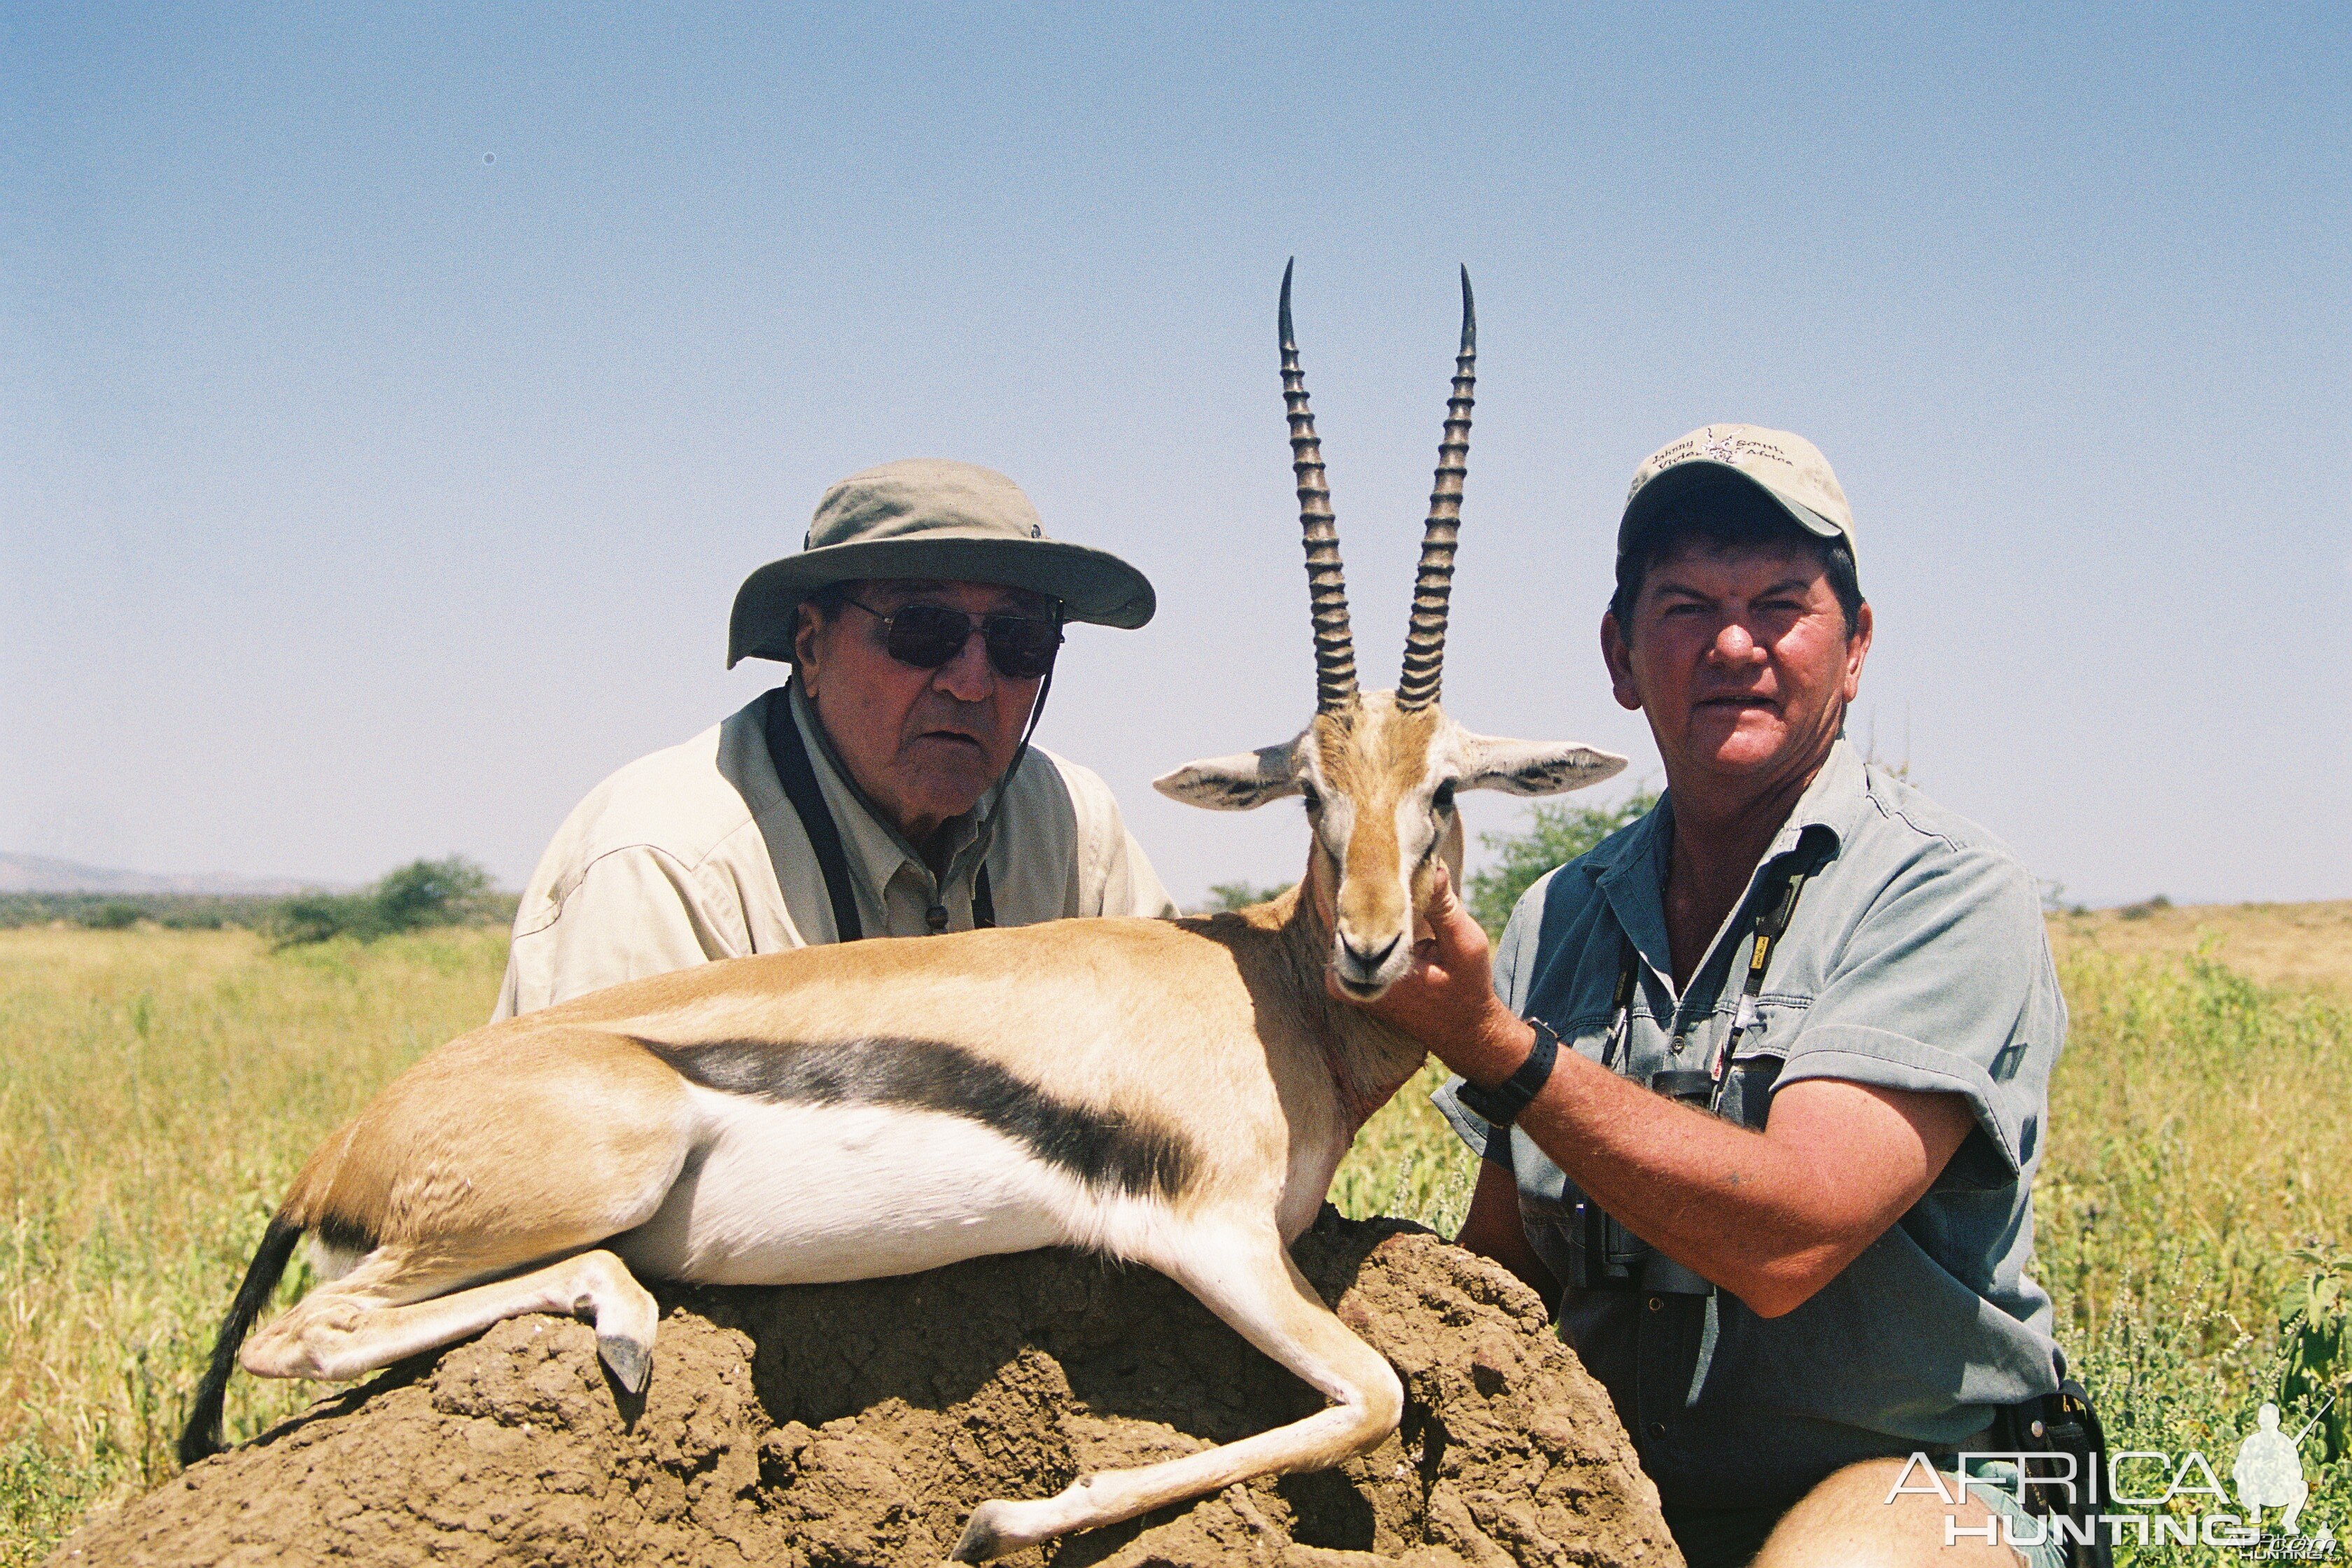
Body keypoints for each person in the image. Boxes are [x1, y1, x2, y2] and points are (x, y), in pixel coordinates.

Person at [1363, 426, 2074, 1567]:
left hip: (1909, 1490)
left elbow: (1789, 1239)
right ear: (1620, 655)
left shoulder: (1944, 887)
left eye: (1780, 606)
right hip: (1610, 1496)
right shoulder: (1559, 915)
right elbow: (1507, 1274)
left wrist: (1501, 1049)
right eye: (1687, 607)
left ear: (1856, 648)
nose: (1735, 645)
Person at [495, 458, 1177, 1019]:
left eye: (1018, 639)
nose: (972, 682)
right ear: (812, 646)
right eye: (922, 629)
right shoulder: (668, 866)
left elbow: (1180, 1052)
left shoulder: (1072, 827)